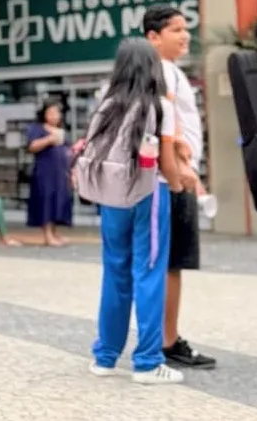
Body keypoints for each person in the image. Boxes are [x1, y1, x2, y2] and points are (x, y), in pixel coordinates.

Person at [83, 39, 194, 385]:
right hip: (149, 194)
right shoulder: (159, 105)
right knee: (149, 273)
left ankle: (105, 356)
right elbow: (165, 162)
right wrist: (177, 186)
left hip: (112, 196)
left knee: (114, 273)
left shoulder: (107, 104)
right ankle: (147, 362)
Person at [141, 4, 217, 370]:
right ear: (152, 37)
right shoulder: (161, 73)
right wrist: (187, 175)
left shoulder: (168, 71)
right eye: (175, 29)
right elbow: (166, 132)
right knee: (171, 264)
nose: (185, 35)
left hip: (172, 177)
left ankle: (163, 338)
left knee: (168, 263)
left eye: (185, 29)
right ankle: (166, 341)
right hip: (172, 181)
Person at [26, 102, 73, 245]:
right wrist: (49, 139)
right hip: (44, 172)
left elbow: (68, 149)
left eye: (56, 113)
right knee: (46, 201)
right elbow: (32, 146)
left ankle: (54, 232)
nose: (54, 116)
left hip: (60, 173)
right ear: (44, 114)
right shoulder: (37, 128)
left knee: (57, 201)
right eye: (50, 112)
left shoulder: (61, 130)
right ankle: (47, 235)